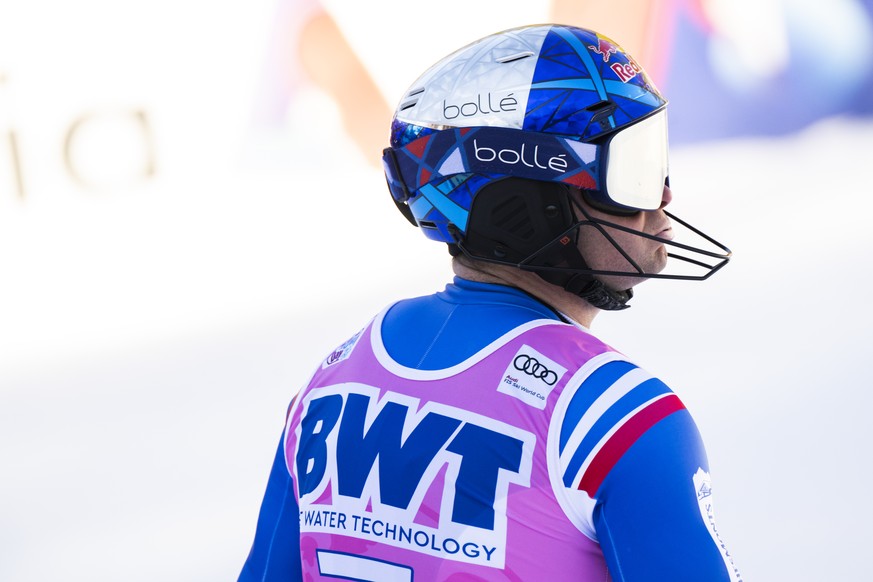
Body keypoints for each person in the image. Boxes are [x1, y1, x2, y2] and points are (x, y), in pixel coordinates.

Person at [239, 24, 740, 581]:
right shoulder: (620, 418)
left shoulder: (334, 380)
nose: (663, 194)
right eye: (632, 169)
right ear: (530, 203)